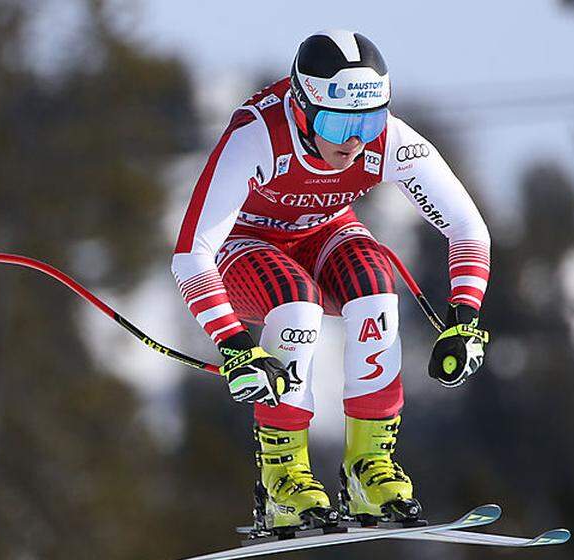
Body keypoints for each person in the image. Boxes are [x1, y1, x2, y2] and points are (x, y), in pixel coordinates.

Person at [171, 30, 491, 530]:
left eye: (370, 119)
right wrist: (234, 345)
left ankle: (370, 468)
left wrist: (464, 317)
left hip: (325, 230)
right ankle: (283, 477)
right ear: (301, 110)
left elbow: (467, 226)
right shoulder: (258, 136)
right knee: (296, 304)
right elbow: (191, 255)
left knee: (376, 288)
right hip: (244, 247)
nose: (355, 141)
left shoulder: (387, 142)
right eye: (338, 123)